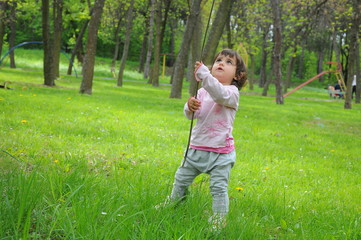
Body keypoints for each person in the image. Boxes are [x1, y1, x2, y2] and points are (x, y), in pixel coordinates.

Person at [167, 49, 247, 231]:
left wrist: (204, 75)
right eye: (218, 59)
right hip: (196, 148)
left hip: (220, 154)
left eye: (228, 62)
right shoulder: (203, 91)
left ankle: (219, 219)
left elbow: (219, 94)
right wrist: (189, 106)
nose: (221, 63)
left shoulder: (232, 93)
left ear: (238, 75)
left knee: (218, 188)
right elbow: (191, 115)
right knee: (180, 179)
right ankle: (173, 202)